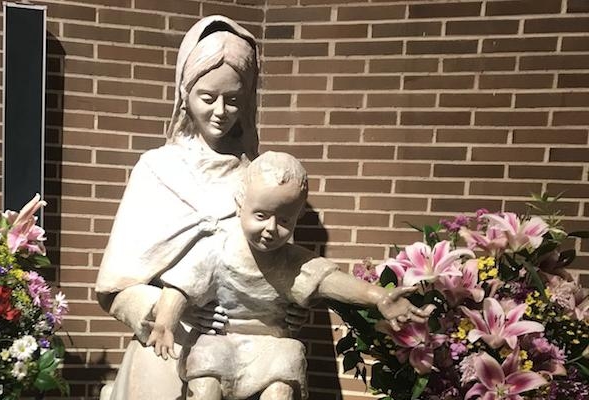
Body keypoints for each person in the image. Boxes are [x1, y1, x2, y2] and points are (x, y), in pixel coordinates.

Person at [146, 152, 434, 400]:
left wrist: (379, 296)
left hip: (271, 345)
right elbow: (180, 289)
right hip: (219, 340)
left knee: (283, 376)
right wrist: (165, 322)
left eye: (284, 220)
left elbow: (331, 281)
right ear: (239, 204)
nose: (271, 228)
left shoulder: (293, 261)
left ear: (297, 217)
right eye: (261, 215)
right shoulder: (216, 250)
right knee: (206, 381)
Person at [95, 16, 272, 400]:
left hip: (242, 352)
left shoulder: (258, 178)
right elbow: (116, 288)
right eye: (207, 97)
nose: (221, 111)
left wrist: (284, 308)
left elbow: (276, 265)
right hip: (165, 347)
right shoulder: (156, 169)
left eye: (234, 99)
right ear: (184, 93)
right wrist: (171, 309)